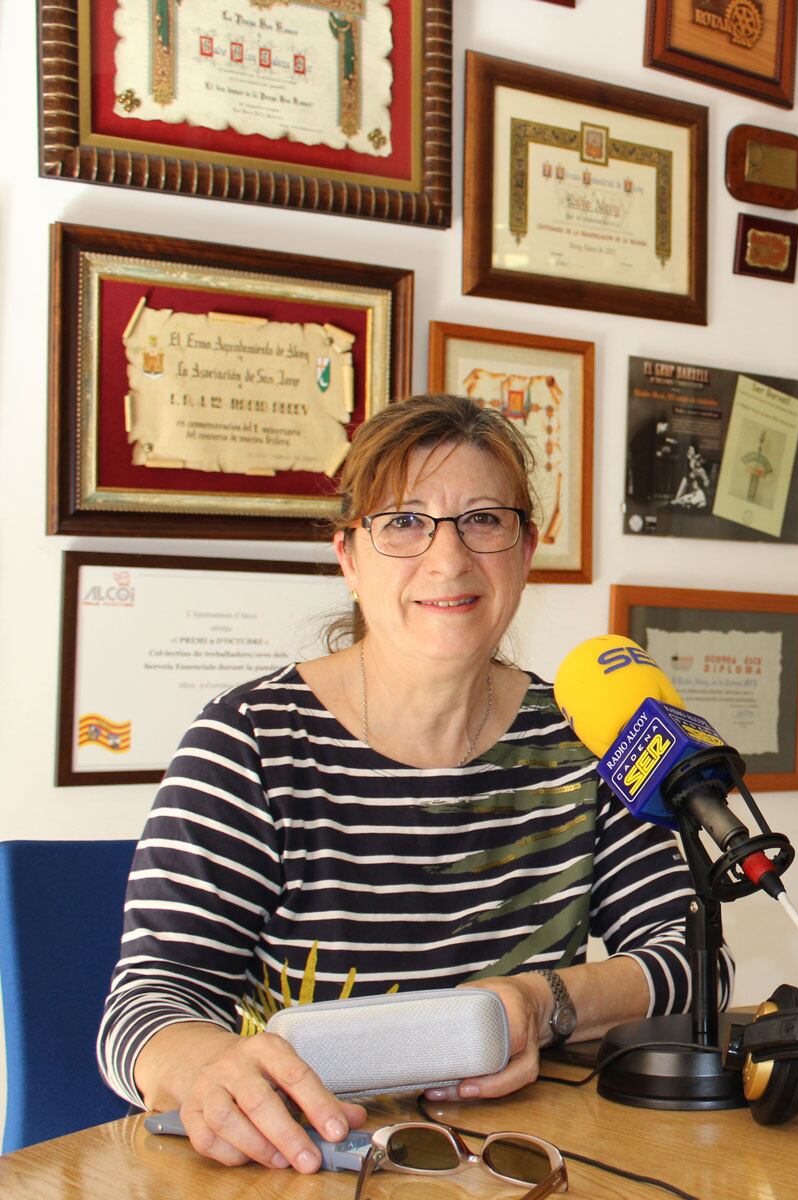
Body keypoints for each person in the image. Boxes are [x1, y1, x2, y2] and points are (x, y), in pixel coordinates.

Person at [97, 395, 728, 1174]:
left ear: (527, 551)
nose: (448, 558)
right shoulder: (249, 745)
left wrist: (542, 1004)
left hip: (531, 1165)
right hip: (307, 1163)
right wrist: (202, 1069)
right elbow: (144, 1010)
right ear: (348, 558)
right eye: (403, 522)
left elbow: (697, 963)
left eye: (484, 520)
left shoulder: (586, 737)